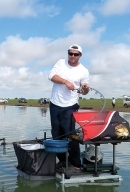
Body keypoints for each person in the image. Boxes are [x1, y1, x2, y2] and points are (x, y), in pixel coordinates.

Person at [48, 44, 90, 173]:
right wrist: (65, 81)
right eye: (70, 53)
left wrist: (85, 89)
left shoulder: (84, 70)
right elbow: (51, 76)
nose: (72, 56)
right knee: (56, 134)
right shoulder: (61, 63)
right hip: (55, 103)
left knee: (71, 134)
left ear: (80, 56)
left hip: (70, 105)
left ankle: (76, 164)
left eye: (75, 54)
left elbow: (85, 91)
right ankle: (61, 160)